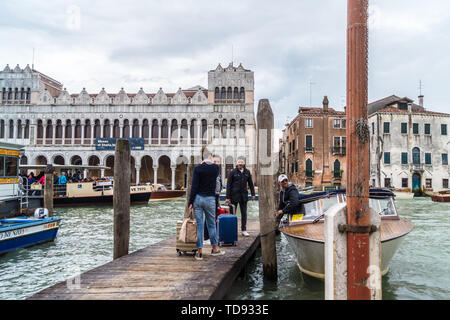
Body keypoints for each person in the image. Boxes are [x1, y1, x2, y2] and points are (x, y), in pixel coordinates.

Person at [188, 152, 225, 261]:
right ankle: (215, 249)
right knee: (211, 224)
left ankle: (199, 252)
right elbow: (218, 185)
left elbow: (194, 186)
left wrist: (190, 202)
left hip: (198, 199)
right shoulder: (215, 168)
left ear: (202, 159)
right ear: (210, 158)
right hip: (210, 199)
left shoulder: (197, 168)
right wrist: (217, 198)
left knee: (199, 225)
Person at [225, 158, 255, 237]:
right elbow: (228, 185)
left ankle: (244, 230)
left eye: (242, 162)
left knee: (244, 213)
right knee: (232, 214)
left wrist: (253, 194)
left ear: (244, 163)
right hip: (233, 196)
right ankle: (232, 229)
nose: (240, 163)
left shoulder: (247, 172)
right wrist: (227, 197)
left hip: (243, 196)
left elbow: (251, 184)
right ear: (236, 163)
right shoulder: (232, 172)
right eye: (239, 162)